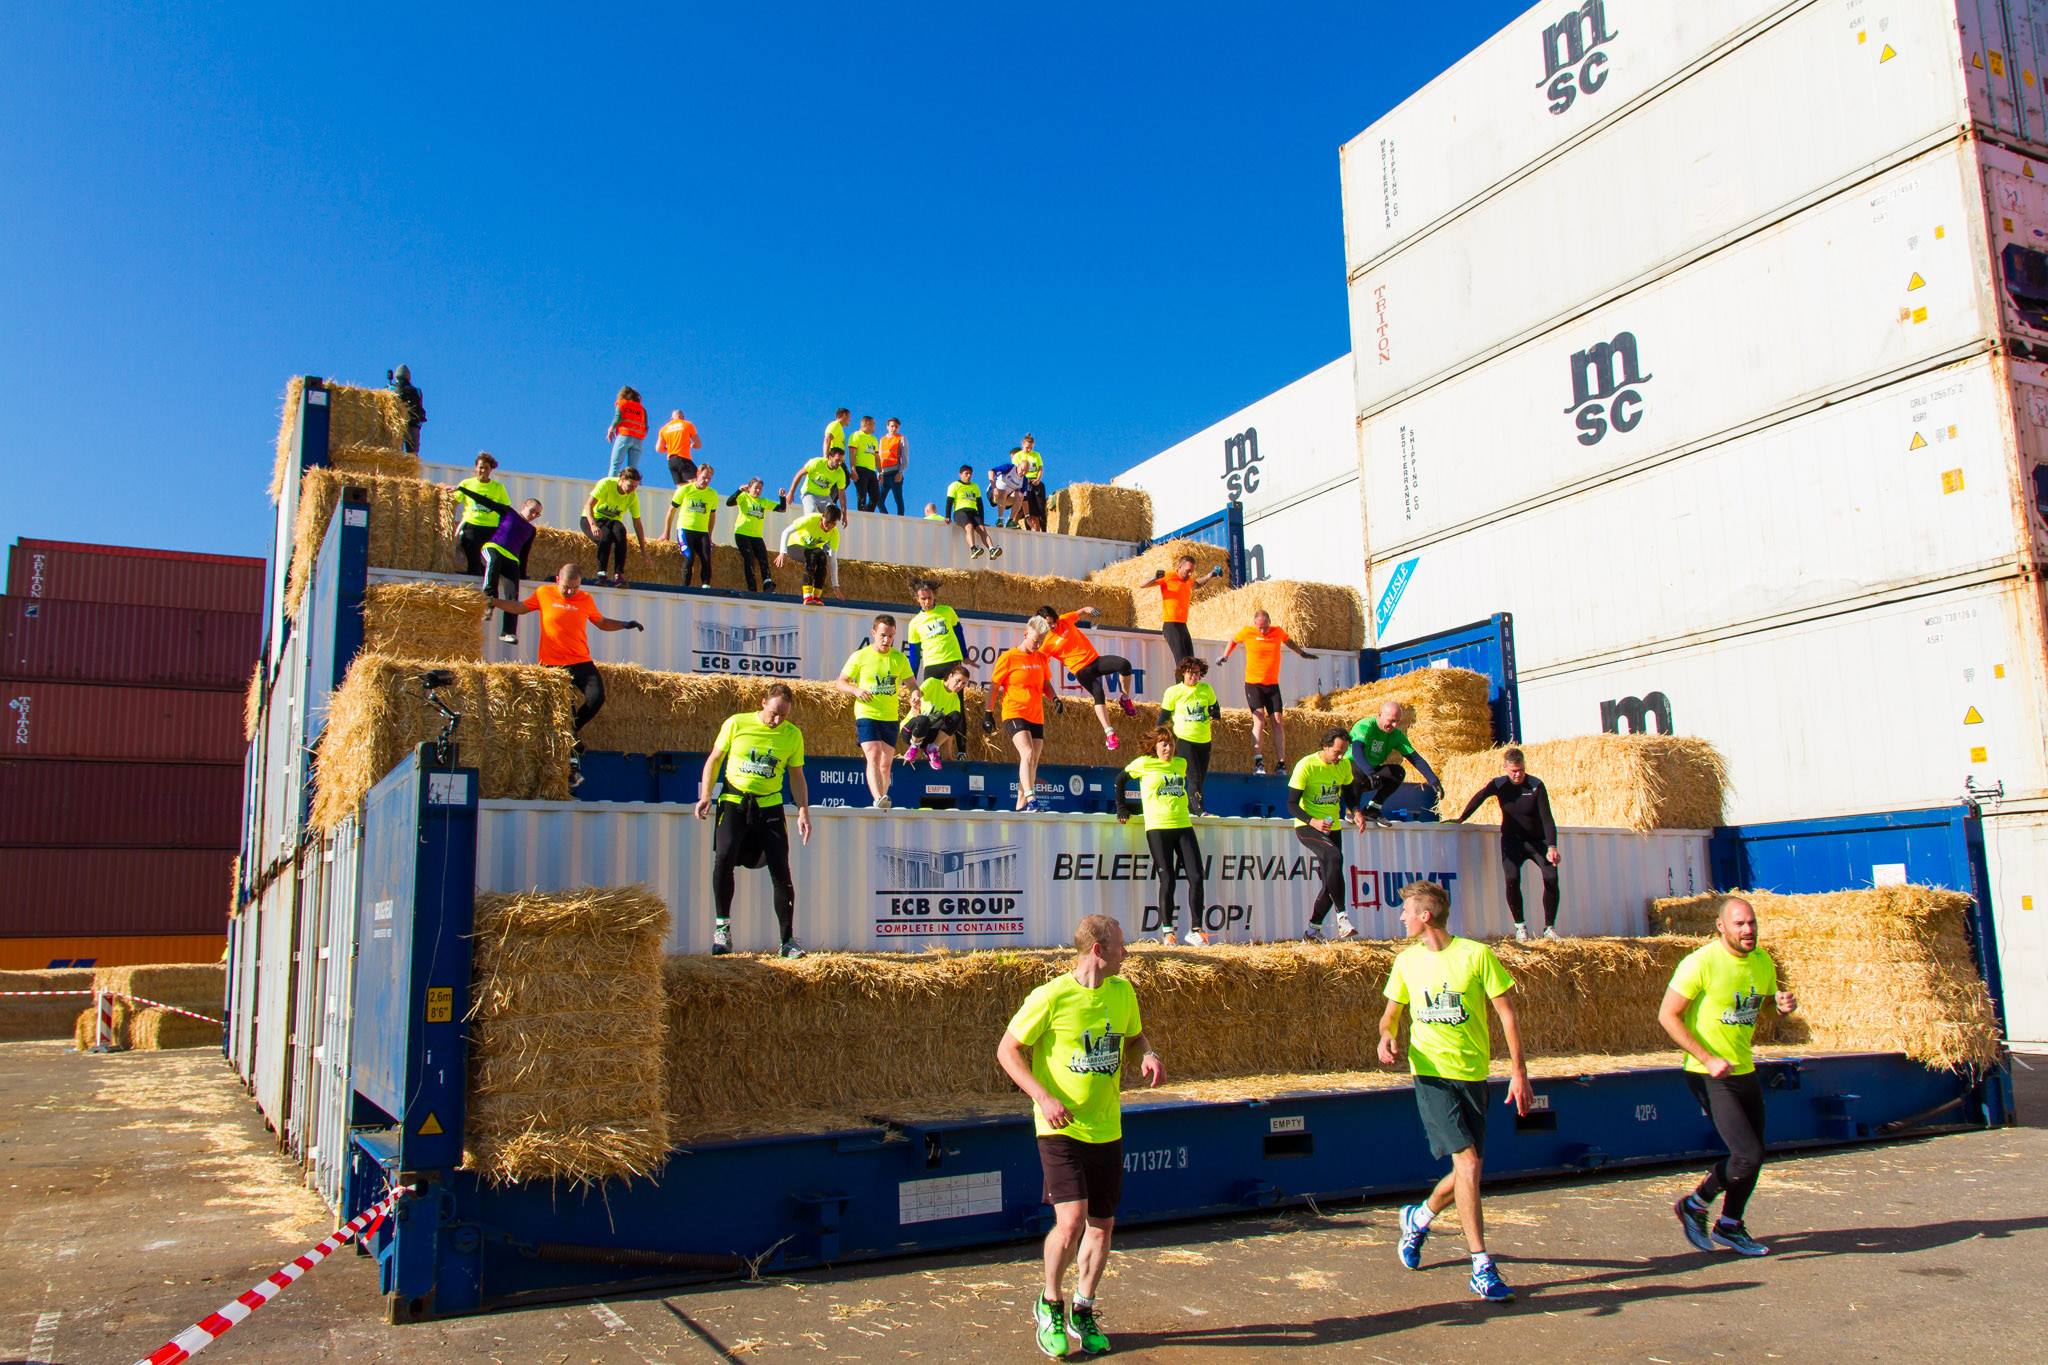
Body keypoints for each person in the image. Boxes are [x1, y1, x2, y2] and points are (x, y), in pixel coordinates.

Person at [996, 914, 1163, 1359]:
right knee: (1069, 1224)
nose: (1127, 952)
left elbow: (1134, 1036)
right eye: (1121, 945)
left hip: (1107, 1127)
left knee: (1102, 1226)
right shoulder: (1050, 996)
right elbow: (1007, 1050)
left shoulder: (1123, 992)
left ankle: (1083, 1308)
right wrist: (1043, 1098)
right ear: (1099, 950)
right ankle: (1050, 1303)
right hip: (1059, 1129)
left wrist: (1148, 1055)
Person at [1379, 879, 1534, 1304]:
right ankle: (1481, 1266)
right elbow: (1390, 1015)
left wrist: (1518, 1072)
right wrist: (1386, 1036)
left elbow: (1507, 1015)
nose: (1401, 917)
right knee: (1466, 1163)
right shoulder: (1406, 963)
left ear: (1424, 916)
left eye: (1406, 911)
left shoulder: (1477, 955)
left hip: (1473, 1075)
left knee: (1470, 1170)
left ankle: (1419, 1217)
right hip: (1430, 1075)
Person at [1659, 896, 1798, 1258]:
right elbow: (1667, 1016)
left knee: (1755, 1154)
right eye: (1739, 924)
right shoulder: (1701, 963)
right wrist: (1707, 1056)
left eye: (1752, 923)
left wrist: (1779, 1007)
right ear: (1721, 927)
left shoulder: (1762, 961)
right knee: (1747, 1154)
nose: (1748, 930)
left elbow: (1760, 1007)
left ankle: (1731, 1225)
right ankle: (1695, 1204)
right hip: (1707, 1072)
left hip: (1743, 1067)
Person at [496, 563, 644, 787]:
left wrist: (624, 624)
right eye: (566, 587)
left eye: (574, 588)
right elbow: (520, 607)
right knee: (564, 711)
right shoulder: (544, 593)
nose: (569, 592)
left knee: (596, 698)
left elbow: (601, 622)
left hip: (580, 660)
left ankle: (572, 731)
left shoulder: (585, 599)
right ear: (558, 580)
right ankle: (571, 761)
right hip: (552, 666)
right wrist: (495, 602)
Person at [693, 684, 812, 959]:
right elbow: (714, 759)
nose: (777, 720)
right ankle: (722, 931)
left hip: (770, 805)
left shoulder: (792, 735)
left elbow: (797, 776)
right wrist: (705, 795)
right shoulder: (737, 723)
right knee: (723, 858)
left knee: (781, 869)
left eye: (784, 715)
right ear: (762, 703)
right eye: (773, 713)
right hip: (734, 802)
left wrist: (803, 810)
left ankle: (787, 941)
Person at [1450, 747, 1562, 942]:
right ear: (1505, 768)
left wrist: (1552, 846)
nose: (1517, 775)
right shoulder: (1499, 784)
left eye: (1521, 770)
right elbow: (1480, 797)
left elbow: (1547, 818)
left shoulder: (1536, 785)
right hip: (1512, 841)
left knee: (1551, 877)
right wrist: (1461, 818)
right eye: (1513, 771)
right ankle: (1520, 926)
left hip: (1538, 841)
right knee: (1512, 878)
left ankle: (1549, 928)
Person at [1117, 728, 1209, 947]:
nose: (1168, 749)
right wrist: (1122, 809)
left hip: (1183, 825)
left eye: (1170, 744)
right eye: (1163, 744)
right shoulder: (1143, 764)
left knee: (1196, 875)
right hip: (1158, 827)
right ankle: (1168, 931)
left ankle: (1196, 930)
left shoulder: (1181, 764)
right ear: (1155, 747)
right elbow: (1119, 781)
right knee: (1168, 878)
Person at [1217, 610, 1316, 775]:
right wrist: (1225, 655)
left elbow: (1288, 641)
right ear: (1255, 624)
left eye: (1265, 627)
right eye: (1260, 628)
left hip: (1272, 685)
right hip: (1253, 684)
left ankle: (1281, 763)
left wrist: (1302, 653)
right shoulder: (1248, 632)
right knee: (1260, 719)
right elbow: (1233, 640)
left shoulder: (1277, 631)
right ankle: (1258, 761)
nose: (1263, 631)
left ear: (1270, 622)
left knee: (1277, 720)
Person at [1292, 728, 1365, 941]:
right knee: (1335, 857)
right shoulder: (1307, 765)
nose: (1340, 756)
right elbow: (1290, 804)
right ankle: (1343, 918)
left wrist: (1357, 811)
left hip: (1332, 828)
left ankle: (1313, 930)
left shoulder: (1343, 766)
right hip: (1307, 827)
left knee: (1330, 880)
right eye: (1337, 752)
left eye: (1344, 752)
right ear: (1325, 746)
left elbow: (1350, 795)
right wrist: (1312, 821)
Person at [836, 614, 914, 810]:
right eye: (883, 635)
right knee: (874, 754)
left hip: (890, 716)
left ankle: (884, 798)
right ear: (873, 633)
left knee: (886, 763)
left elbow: (912, 684)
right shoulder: (860, 656)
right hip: (867, 713)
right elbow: (840, 682)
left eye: (890, 636)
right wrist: (856, 690)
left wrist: (916, 694)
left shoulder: (899, 658)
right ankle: (878, 797)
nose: (886, 640)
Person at [1037, 604, 1136, 753]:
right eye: (1047, 624)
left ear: (1056, 618)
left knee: (1124, 665)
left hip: (1095, 661)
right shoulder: (1047, 644)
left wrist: (1088, 609)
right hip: (1081, 670)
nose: (1051, 626)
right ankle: (1109, 734)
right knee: (1098, 692)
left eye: (1052, 622)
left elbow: (1080, 611)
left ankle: (1125, 698)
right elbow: (1039, 662)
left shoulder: (1065, 620)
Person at [451, 483, 542, 644]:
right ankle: (488, 602)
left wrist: (522, 574)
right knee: (494, 562)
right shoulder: (509, 512)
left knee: (512, 594)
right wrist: (462, 489)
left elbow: (524, 553)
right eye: (532, 511)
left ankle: (508, 631)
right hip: (494, 548)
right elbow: (485, 501)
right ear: (524, 506)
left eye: (537, 514)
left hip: (512, 559)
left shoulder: (531, 530)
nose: (533, 515)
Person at [992, 621, 1062, 813]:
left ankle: (1021, 804)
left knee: (1034, 760)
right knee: (1027, 752)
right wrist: (988, 712)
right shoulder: (1009, 657)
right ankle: (1032, 798)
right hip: (1014, 711)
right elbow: (994, 686)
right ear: (1025, 635)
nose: (1037, 645)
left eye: (1041, 642)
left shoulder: (1041, 658)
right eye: (1035, 641)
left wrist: (1054, 698)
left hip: (1035, 714)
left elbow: (1046, 684)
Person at [1347, 700, 1443, 828]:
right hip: (1347, 773)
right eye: (1391, 720)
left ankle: (1372, 809)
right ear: (1379, 715)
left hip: (1370, 774)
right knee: (1357, 768)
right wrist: (1371, 773)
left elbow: (1415, 758)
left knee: (1397, 772)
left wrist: (1433, 780)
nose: (1394, 725)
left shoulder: (1396, 735)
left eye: (1397, 721)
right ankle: (1353, 810)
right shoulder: (1365, 726)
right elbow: (1357, 752)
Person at [1159, 657, 1220, 815]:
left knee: (1201, 776)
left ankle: (1191, 808)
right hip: (1184, 739)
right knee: (1193, 775)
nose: (1193, 677)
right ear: (1183, 673)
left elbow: (1215, 708)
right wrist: (1160, 740)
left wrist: (1214, 715)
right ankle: (1199, 809)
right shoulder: (1173, 692)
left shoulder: (1207, 689)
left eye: (1197, 673)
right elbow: (1163, 718)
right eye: (1190, 673)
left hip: (1204, 739)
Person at [1146, 556, 1224, 666]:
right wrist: (1154, 577)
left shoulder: (1187, 581)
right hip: (1171, 625)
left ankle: (1189, 683)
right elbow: (1143, 585)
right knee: (1182, 663)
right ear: (1179, 566)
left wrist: (1210, 575)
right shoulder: (1168, 576)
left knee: (1191, 661)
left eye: (1192, 571)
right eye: (1188, 571)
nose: (1190, 574)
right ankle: (1180, 683)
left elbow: (1197, 584)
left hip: (1182, 625)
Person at [581, 468, 646, 587]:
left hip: (612, 521)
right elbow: (588, 505)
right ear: (622, 479)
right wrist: (593, 525)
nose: (632, 490)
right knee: (605, 537)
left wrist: (643, 549)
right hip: (592, 518)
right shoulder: (606, 484)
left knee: (621, 532)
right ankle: (601, 574)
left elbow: (637, 523)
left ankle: (619, 575)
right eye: (630, 485)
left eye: (635, 487)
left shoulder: (632, 496)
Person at [902, 662, 971, 770]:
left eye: (963, 684)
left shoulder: (955, 700)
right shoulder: (933, 683)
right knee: (924, 720)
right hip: (911, 731)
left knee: (956, 716)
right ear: (950, 676)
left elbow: (949, 730)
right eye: (958, 681)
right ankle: (913, 747)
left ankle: (932, 748)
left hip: (928, 737)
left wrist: (948, 756)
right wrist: (915, 700)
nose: (959, 686)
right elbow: (918, 693)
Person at [663, 464, 721, 589]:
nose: (706, 481)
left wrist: (710, 536)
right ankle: (685, 588)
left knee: (706, 558)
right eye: (704, 477)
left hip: (702, 532)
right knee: (689, 557)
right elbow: (671, 511)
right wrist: (666, 532)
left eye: (709, 479)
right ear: (698, 474)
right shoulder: (684, 490)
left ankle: (706, 587)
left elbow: (712, 517)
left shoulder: (712, 494)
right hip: (685, 529)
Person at [727, 478, 786, 593]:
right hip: (742, 533)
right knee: (749, 559)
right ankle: (752, 588)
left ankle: (767, 584)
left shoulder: (763, 501)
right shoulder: (744, 497)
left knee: (763, 559)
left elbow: (782, 509)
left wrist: (782, 497)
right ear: (749, 488)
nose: (758, 491)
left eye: (760, 489)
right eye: (756, 488)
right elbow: (729, 503)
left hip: (757, 536)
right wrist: (739, 491)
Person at [777, 505, 843, 605]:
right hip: (794, 546)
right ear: (822, 517)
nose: (829, 527)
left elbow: (833, 559)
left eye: (833, 524)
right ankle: (807, 596)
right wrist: (782, 552)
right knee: (813, 555)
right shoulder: (811, 519)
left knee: (822, 556)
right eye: (827, 522)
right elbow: (786, 532)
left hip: (812, 551)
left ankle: (816, 596)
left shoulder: (834, 533)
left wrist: (835, 585)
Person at [454, 452, 508, 575]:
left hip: (491, 527)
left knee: (491, 557)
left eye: (486, 468)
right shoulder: (466, 484)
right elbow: (455, 499)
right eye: (480, 467)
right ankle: (473, 574)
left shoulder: (498, 487)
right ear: (475, 468)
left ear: (491, 470)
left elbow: (505, 508)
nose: (483, 470)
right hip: (472, 524)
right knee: (471, 552)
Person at [906, 579, 967, 681]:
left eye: (930, 597)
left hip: (952, 660)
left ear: (934, 596)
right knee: (931, 697)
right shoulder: (914, 623)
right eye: (923, 598)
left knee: (955, 697)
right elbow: (914, 654)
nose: (927, 601)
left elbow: (959, 633)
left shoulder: (947, 611)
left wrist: (965, 654)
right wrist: (912, 679)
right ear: (917, 599)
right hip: (931, 664)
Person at [946, 463, 998, 559]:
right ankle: (973, 549)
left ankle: (991, 549)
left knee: (982, 529)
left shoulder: (975, 486)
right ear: (960, 474)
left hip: (973, 512)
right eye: (966, 473)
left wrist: (981, 519)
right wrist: (947, 516)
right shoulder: (954, 485)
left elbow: (980, 504)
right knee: (969, 527)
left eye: (970, 474)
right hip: (960, 511)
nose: (969, 476)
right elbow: (949, 501)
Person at [789, 446, 849, 518]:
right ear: (830, 457)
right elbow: (799, 474)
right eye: (837, 460)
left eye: (841, 461)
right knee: (811, 512)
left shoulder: (840, 473)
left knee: (833, 514)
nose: (839, 463)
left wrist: (844, 514)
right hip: (809, 493)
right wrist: (791, 493)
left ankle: (825, 528)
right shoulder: (817, 463)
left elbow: (841, 493)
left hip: (824, 497)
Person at [607, 385, 648, 477]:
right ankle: (633, 487)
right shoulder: (641, 409)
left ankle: (611, 484)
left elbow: (618, 418)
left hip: (625, 435)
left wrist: (611, 429)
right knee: (633, 468)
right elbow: (646, 426)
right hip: (638, 439)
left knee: (615, 465)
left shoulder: (622, 403)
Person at [656, 409, 702, 485]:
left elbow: (659, 449)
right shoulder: (687, 424)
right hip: (684, 458)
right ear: (683, 417)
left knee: (681, 487)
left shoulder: (664, 429)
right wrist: (691, 445)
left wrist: (669, 449)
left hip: (671, 461)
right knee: (697, 483)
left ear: (671, 419)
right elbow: (698, 444)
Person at [847, 415, 882, 513]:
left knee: (876, 496)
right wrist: (853, 469)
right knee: (862, 495)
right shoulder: (855, 435)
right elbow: (852, 453)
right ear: (867, 424)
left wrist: (880, 471)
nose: (875, 426)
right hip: (860, 469)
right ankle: (861, 514)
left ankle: (867, 514)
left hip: (871, 470)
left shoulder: (874, 439)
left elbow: (876, 456)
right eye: (873, 424)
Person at [1015, 433, 1048, 532]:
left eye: (1031, 448)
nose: (1029, 450)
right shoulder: (1018, 456)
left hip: (1036, 482)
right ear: (1022, 444)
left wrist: (1038, 479)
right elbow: (1015, 471)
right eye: (1027, 447)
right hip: (1024, 482)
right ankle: (1024, 526)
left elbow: (1040, 468)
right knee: (1028, 508)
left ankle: (1043, 529)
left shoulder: (1036, 455)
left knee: (1040, 508)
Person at [389, 365, 424, 453]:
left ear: (396, 377)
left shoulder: (390, 389)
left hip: (396, 424)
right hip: (413, 424)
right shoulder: (417, 391)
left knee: (396, 452)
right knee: (412, 455)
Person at [877, 417, 908, 514]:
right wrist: (879, 472)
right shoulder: (882, 440)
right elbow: (879, 457)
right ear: (887, 427)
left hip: (895, 473)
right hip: (884, 474)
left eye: (896, 427)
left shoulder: (901, 438)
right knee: (878, 500)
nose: (894, 428)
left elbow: (905, 456)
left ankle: (900, 519)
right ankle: (886, 517)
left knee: (898, 499)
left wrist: (900, 472)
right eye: (892, 426)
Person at [988, 456, 1028, 528]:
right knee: (1004, 492)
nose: (1023, 473)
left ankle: (1011, 521)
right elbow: (991, 471)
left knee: (1020, 495)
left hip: (1007, 498)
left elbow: (1023, 499)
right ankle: (1000, 519)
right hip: (994, 493)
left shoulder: (1024, 480)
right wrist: (994, 487)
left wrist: (1027, 515)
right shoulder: (1009, 468)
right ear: (1018, 466)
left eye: (1026, 471)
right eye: (1022, 470)